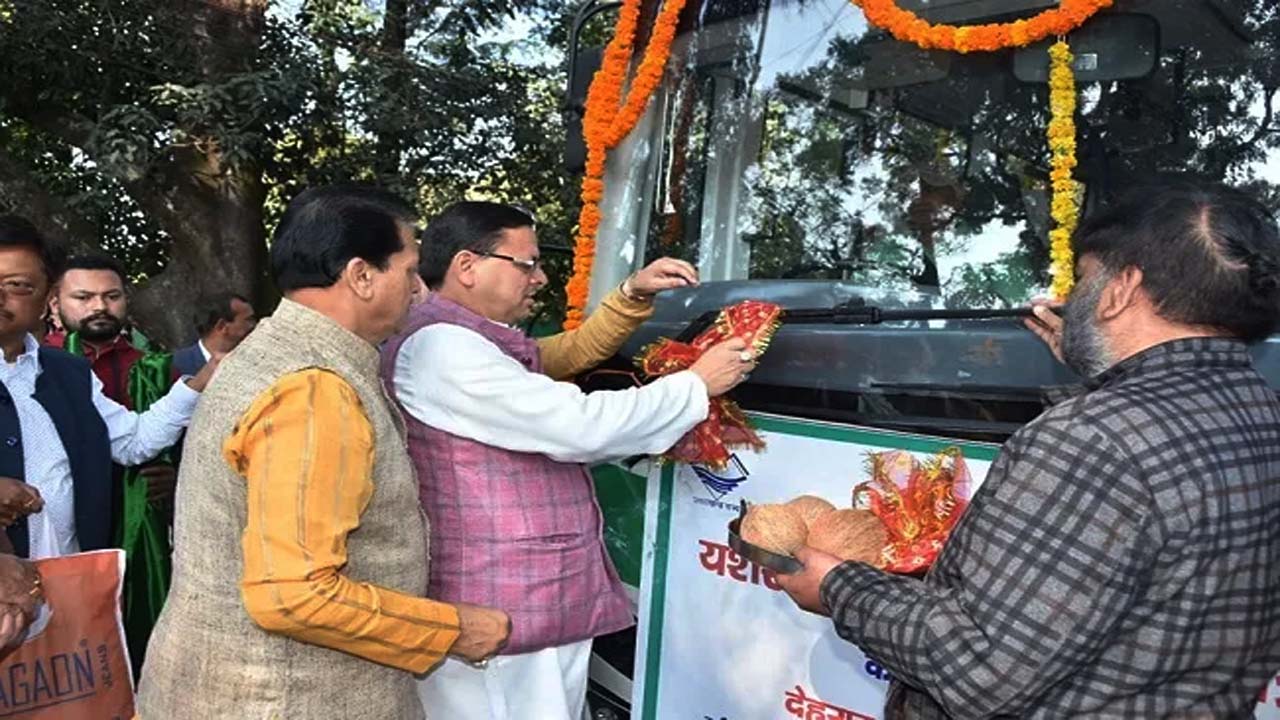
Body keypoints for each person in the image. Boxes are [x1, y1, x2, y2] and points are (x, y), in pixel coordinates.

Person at [776, 183, 1280, 718]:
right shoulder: (1261, 412)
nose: (1070, 299)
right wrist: (1105, 370)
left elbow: (977, 667)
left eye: (1083, 278)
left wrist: (837, 588)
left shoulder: (1091, 442)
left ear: (1122, 288)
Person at [138, 186, 511, 720]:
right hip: (285, 699)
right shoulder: (312, 388)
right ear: (361, 276)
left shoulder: (271, 353)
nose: (420, 290)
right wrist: (455, 630)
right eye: (409, 271)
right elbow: (295, 595)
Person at [382, 201, 755, 719]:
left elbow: (567, 354)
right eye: (526, 264)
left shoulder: (470, 338)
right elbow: (580, 425)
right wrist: (695, 385)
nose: (539, 278)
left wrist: (632, 295)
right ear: (467, 266)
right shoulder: (444, 349)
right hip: (501, 609)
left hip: (517, 599)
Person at [0, 215, 215, 560]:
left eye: (17, 285)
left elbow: (132, 441)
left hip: (68, 573)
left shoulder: (69, 373)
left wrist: (200, 381)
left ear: (47, 300)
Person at [172, 291, 256, 376]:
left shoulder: (253, 361)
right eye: (249, 320)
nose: (254, 325)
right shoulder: (176, 367)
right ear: (222, 326)